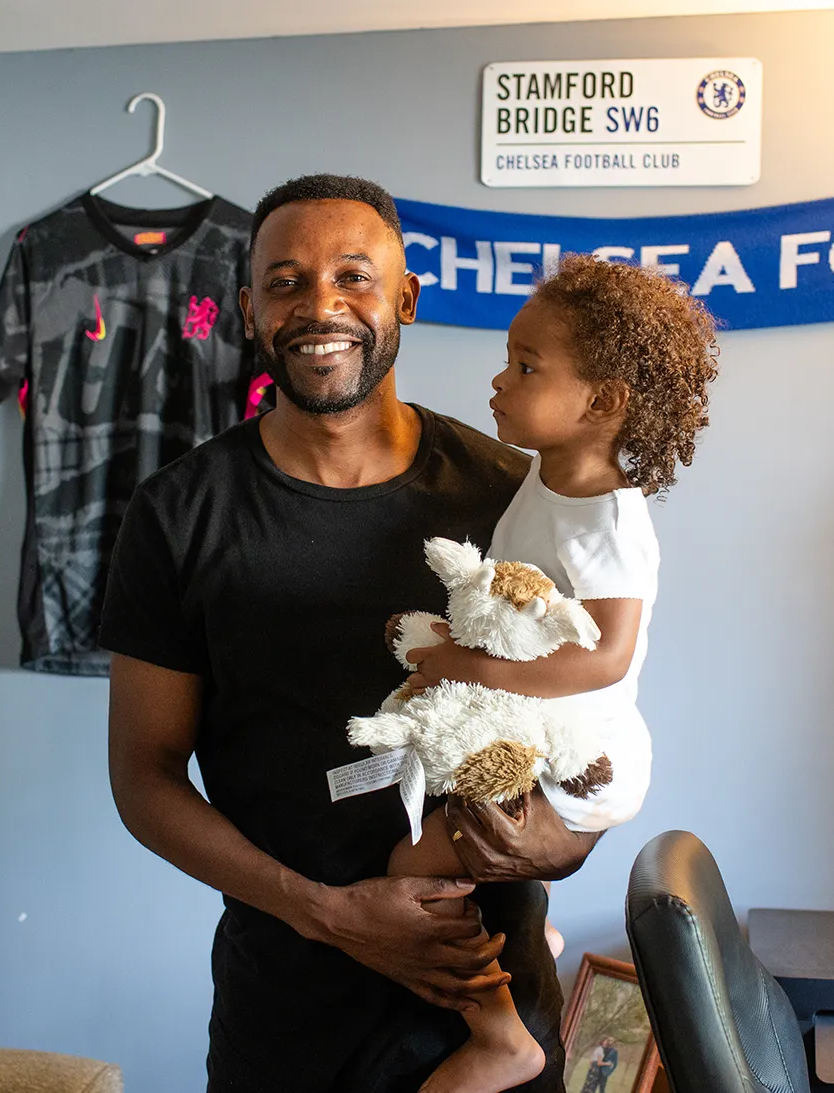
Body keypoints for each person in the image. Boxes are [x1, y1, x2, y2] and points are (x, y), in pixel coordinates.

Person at [102, 174, 600, 1093]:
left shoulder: (507, 495)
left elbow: (585, 717)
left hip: (486, 1015)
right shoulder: (178, 514)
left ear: (404, 297)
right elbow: (144, 774)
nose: (318, 304)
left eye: (352, 276)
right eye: (285, 282)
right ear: (250, 310)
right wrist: (327, 913)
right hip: (286, 1017)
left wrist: (566, 843)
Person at [385, 255, 720, 1091]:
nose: (499, 381)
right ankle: (525, 945)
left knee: (407, 871)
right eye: (509, 357)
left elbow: (605, 654)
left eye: (526, 367)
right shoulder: (547, 469)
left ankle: (499, 1033)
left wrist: (468, 663)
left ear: (601, 401)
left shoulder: (607, 517)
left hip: (573, 750)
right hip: (528, 721)